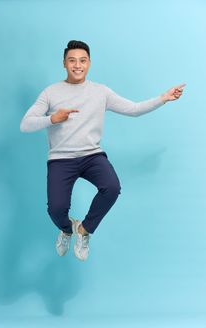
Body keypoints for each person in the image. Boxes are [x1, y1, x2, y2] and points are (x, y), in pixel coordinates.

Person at [20, 40, 185, 261]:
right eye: (72, 61)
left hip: (91, 156)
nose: (77, 65)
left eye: (82, 60)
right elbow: (26, 124)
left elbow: (133, 109)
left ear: (89, 63)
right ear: (64, 63)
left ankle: (84, 231)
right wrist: (52, 119)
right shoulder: (51, 93)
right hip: (61, 159)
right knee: (56, 211)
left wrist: (163, 98)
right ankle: (68, 229)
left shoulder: (100, 92)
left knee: (112, 187)